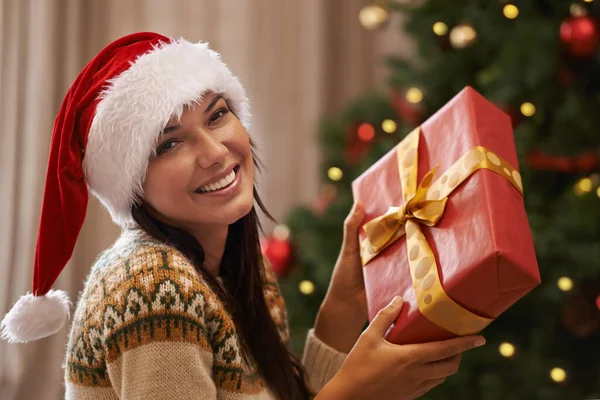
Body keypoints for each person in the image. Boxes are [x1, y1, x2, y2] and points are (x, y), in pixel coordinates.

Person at [0, 32, 486, 400]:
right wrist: (357, 392)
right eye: (169, 143)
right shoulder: (151, 287)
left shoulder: (232, 259)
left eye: (216, 115)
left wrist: (342, 305)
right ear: (133, 184)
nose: (214, 152)